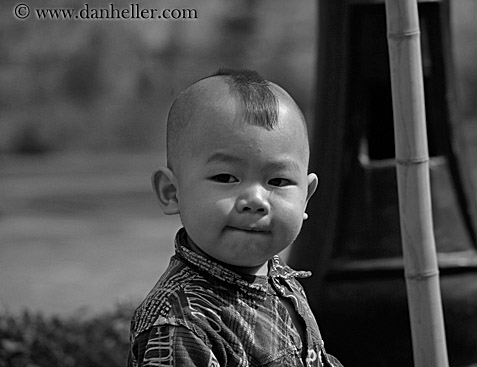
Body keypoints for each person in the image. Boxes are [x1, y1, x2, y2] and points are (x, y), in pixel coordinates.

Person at [127, 69, 343, 367]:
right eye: (226, 177)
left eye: (278, 181)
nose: (255, 200)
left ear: (306, 196)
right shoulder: (183, 324)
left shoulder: (279, 280)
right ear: (172, 193)